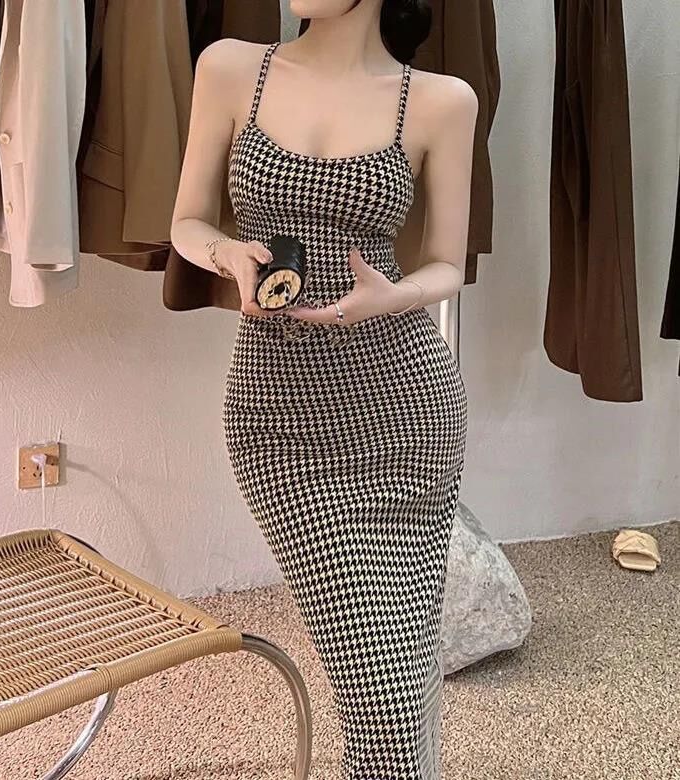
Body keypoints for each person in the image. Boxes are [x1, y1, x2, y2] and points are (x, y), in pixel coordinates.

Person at [170, 1, 477, 776]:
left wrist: (394, 296)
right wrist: (226, 255)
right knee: (377, 682)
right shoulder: (230, 67)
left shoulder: (441, 101)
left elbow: (448, 261)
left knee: (400, 670)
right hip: (279, 424)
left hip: (406, 413)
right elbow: (187, 222)